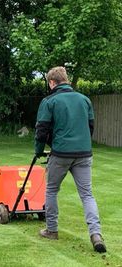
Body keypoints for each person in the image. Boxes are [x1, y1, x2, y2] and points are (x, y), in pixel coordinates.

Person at [34, 66, 106, 253]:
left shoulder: (49, 101)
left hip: (61, 154)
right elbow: (90, 127)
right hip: (84, 153)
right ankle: (96, 234)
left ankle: (51, 230)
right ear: (66, 79)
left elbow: (41, 130)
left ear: (52, 82)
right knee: (87, 194)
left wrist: (39, 151)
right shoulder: (84, 100)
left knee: (51, 190)